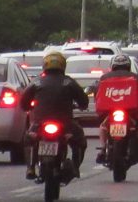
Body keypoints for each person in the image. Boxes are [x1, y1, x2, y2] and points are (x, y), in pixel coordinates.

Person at [20, 51, 89, 180]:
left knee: (29, 138)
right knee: (79, 140)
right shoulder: (68, 82)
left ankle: (30, 168)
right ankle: (75, 167)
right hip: (65, 123)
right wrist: (81, 106)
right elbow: (83, 101)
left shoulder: (36, 82)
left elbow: (24, 102)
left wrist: (28, 107)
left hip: (40, 123)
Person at [94, 55, 138, 164]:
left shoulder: (104, 77)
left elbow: (97, 93)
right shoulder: (136, 77)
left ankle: (102, 148)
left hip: (113, 111)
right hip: (128, 112)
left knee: (103, 125)